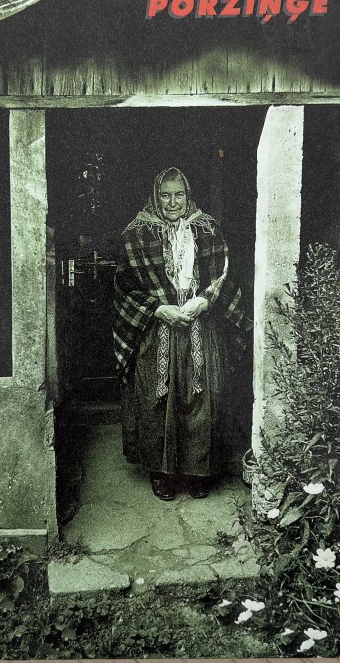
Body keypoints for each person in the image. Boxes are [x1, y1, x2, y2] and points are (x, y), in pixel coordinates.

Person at [113, 167, 249, 501]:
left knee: (202, 398)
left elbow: (226, 273)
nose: (173, 202)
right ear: (155, 196)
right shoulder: (136, 234)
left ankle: (197, 471)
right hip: (157, 329)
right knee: (157, 400)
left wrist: (204, 300)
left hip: (200, 325)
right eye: (165, 195)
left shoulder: (207, 228)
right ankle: (162, 473)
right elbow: (124, 286)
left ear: (188, 195)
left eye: (179, 195)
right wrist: (159, 309)